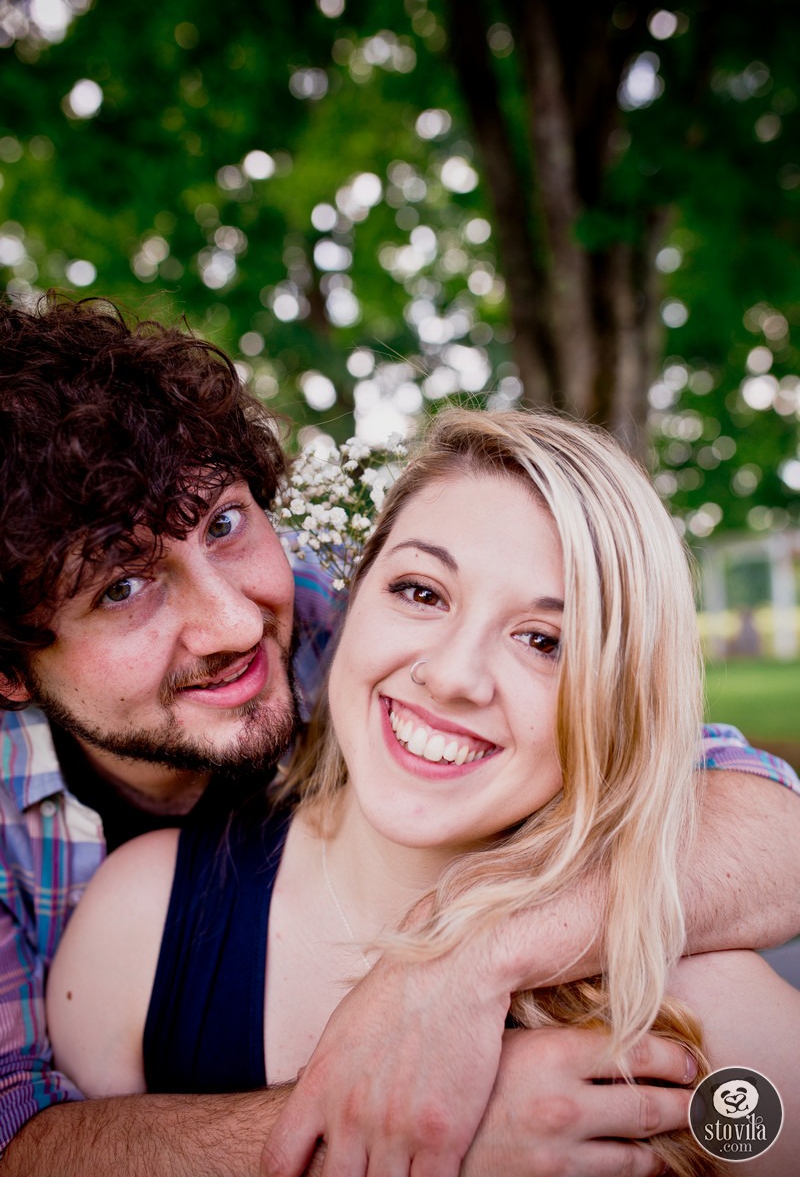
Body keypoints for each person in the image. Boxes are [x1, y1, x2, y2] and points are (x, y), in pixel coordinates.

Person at [0, 295, 798, 1177]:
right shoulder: (132, 935)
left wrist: (459, 958)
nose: (236, 623)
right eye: (120, 587)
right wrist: (411, 1132)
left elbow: (743, 804)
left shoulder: (318, 618)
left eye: (224, 523)